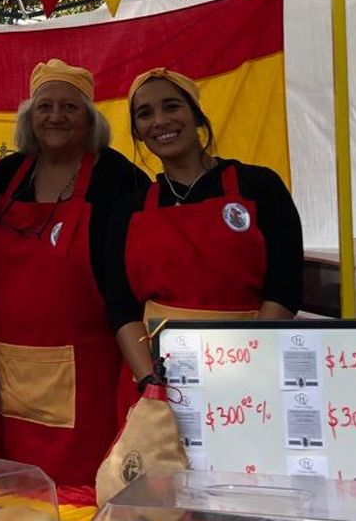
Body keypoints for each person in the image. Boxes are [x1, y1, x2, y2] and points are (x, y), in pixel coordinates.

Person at [0, 59, 150, 485]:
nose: (55, 117)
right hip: (9, 366)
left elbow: (131, 274)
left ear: (90, 118)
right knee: (18, 486)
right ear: (29, 118)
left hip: (88, 368)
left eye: (69, 107)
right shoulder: (7, 175)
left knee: (82, 483)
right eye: (44, 107)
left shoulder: (120, 178)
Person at [101, 67, 303, 398]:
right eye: (145, 114)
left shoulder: (259, 186)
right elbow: (120, 306)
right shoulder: (129, 209)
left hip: (250, 373)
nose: (160, 121)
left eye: (172, 106)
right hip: (156, 379)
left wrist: (248, 361)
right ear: (137, 132)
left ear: (196, 115)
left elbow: (286, 286)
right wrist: (149, 381)